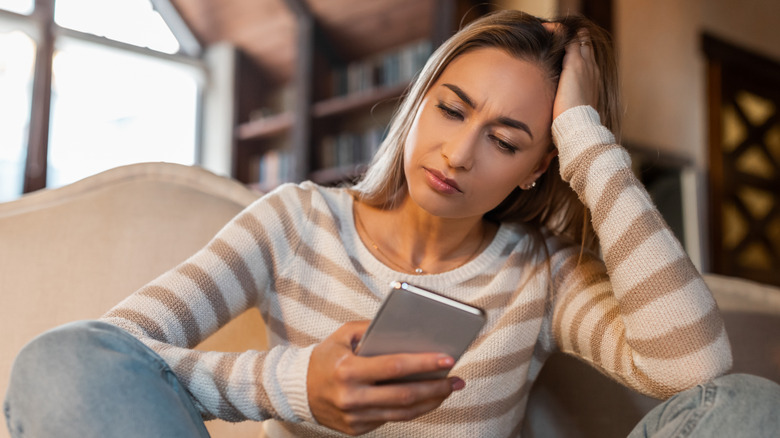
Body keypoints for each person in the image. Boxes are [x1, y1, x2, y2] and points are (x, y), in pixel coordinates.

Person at [5, 9, 780, 438]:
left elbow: (694, 372)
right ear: (419, 103)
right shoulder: (296, 220)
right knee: (55, 361)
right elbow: (108, 356)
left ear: (539, 166)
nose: (460, 152)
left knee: (749, 403)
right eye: (450, 109)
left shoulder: (541, 273)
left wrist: (586, 139)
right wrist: (295, 385)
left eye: (508, 141)